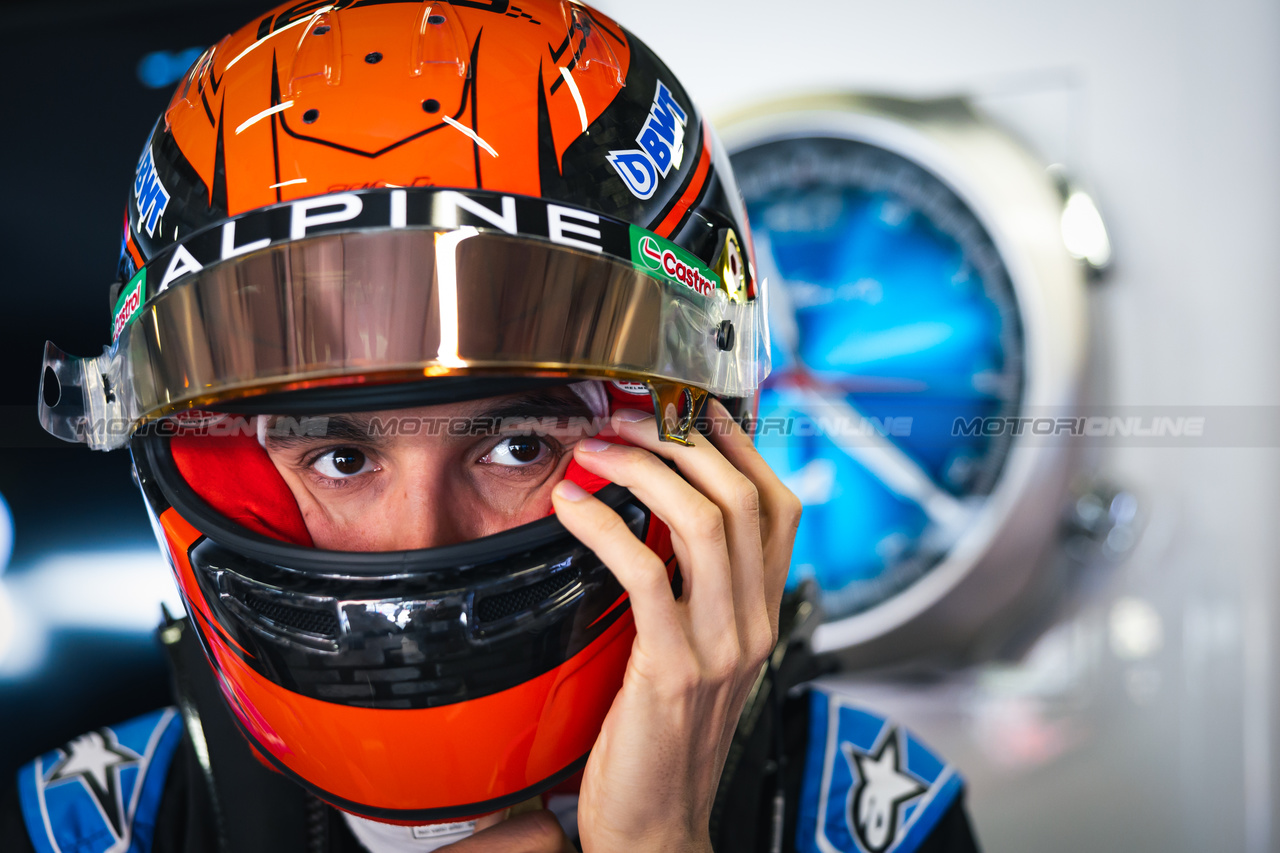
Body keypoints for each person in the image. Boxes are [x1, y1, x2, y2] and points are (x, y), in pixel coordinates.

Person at [3, 1, 981, 850]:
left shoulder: (864, 813)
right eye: (341, 457)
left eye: (517, 446)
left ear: (703, 452)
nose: (418, 538)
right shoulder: (92, 820)